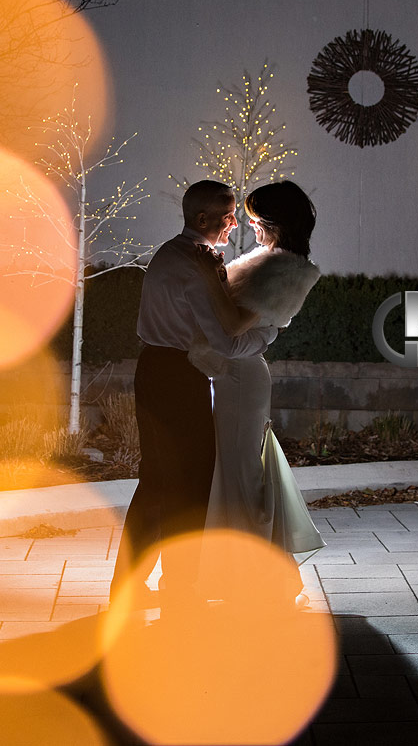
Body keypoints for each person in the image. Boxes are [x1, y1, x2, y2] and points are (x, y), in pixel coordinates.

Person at [111, 180, 278, 604]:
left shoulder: (171, 252)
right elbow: (223, 340)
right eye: (227, 216)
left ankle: (131, 584)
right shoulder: (195, 263)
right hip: (177, 378)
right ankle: (179, 585)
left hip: (154, 370)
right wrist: (267, 338)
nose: (233, 223)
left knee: (155, 480)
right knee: (190, 483)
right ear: (202, 219)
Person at [188, 180, 325, 597]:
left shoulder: (280, 270)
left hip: (240, 378)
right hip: (234, 374)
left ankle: (257, 577)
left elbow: (232, 324)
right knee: (236, 473)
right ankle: (252, 574)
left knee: (240, 475)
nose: (247, 224)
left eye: (253, 216)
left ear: (273, 220)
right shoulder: (270, 260)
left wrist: (207, 273)